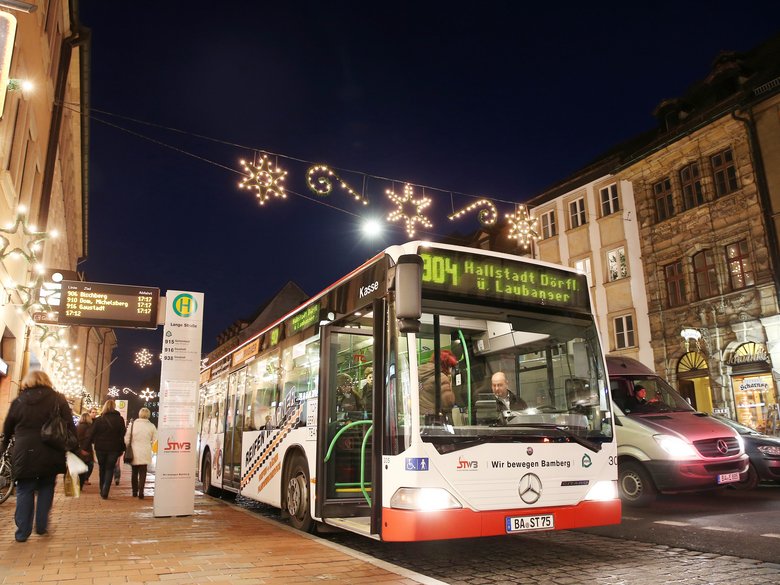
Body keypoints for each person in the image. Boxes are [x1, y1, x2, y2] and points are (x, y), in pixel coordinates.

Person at [0, 370, 75, 542]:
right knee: (46, 488)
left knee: (24, 490)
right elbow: (69, 425)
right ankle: (41, 527)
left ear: (27, 382)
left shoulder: (19, 401)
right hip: (51, 449)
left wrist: (5, 447)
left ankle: (22, 532)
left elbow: (7, 427)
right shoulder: (58, 399)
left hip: (24, 451)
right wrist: (73, 447)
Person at [87, 399, 126, 499]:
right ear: (114, 407)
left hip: (100, 448)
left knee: (102, 468)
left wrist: (88, 444)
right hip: (114, 448)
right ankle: (105, 490)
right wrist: (122, 448)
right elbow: (122, 435)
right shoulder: (120, 419)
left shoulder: (99, 419)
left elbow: (92, 433)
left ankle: (102, 488)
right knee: (110, 468)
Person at [125, 408, 158, 499]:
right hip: (146, 451)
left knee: (134, 472)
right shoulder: (151, 426)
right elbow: (156, 440)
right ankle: (141, 492)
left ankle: (134, 491)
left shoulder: (133, 425)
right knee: (143, 472)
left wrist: (129, 445)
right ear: (148, 415)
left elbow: (127, 438)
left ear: (139, 414)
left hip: (134, 451)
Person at [419, 349, 458, 416]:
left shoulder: (418, 372)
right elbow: (448, 403)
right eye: (450, 366)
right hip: (434, 418)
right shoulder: (441, 377)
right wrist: (449, 383)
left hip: (419, 418)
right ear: (445, 365)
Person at [75, 412, 94, 489]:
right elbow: (88, 438)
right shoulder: (89, 427)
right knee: (88, 465)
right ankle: (81, 484)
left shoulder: (77, 426)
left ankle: (77, 483)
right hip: (85, 449)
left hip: (77, 449)